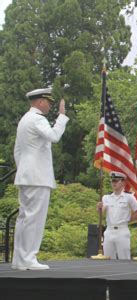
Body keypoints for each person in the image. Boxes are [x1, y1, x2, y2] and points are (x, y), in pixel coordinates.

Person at [12, 88, 69, 270]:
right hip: (37, 176)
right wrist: (61, 117)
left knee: (24, 217)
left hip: (27, 174)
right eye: (48, 102)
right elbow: (54, 136)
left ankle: (19, 259)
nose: (50, 106)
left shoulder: (24, 120)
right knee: (34, 218)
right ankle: (29, 258)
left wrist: (23, 169)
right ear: (40, 102)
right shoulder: (37, 118)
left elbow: (17, 151)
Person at [97, 172, 137, 260]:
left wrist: (128, 220)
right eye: (112, 181)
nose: (114, 183)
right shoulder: (106, 197)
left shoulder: (129, 197)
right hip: (109, 231)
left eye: (116, 181)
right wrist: (99, 208)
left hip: (122, 231)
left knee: (124, 259)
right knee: (108, 259)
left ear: (123, 183)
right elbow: (101, 213)